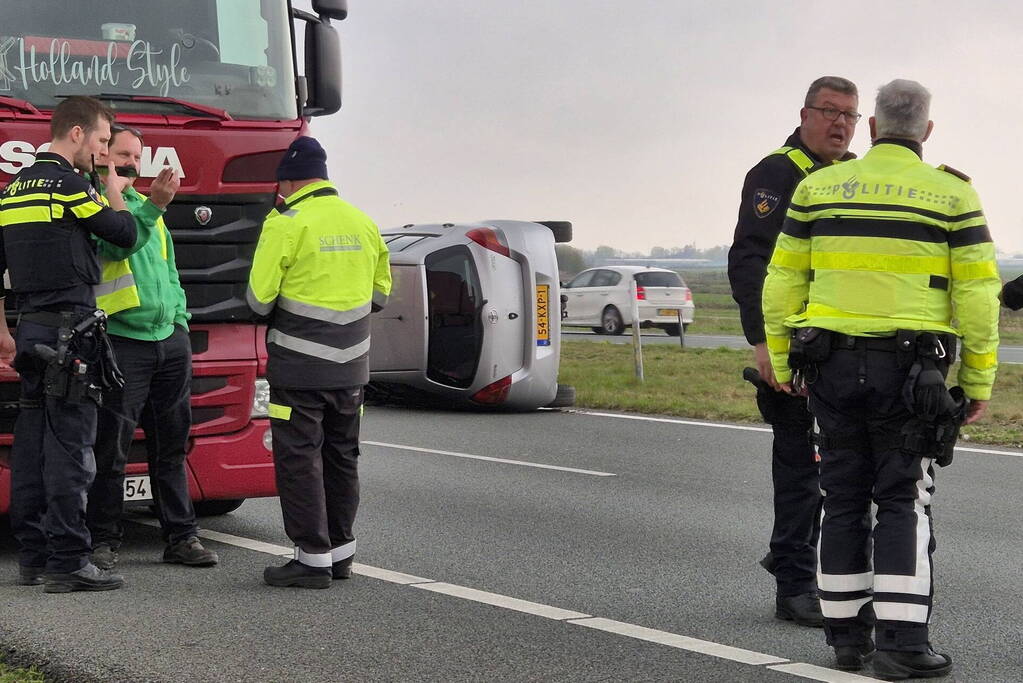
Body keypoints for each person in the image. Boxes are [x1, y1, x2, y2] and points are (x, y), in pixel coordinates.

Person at [762, 79, 999, 678]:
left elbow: (782, 280)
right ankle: (903, 646)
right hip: (912, 374)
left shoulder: (818, 188)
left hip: (829, 367)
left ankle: (847, 640)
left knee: (841, 495)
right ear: (927, 130)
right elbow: (978, 297)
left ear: (871, 127)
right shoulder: (952, 193)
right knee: (903, 500)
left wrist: (784, 361)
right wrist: (978, 380)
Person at [727, 76, 860, 627]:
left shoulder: (852, 177)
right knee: (802, 470)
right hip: (794, 350)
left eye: (849, 115)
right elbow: (750, 260)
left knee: (838, 473)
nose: (840, 123)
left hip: (840, 349)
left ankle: (795, 559)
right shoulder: (777, 173)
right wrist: (764, 342)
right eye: (829, 111)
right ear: (804, 115)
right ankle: (794, 586)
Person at [0, 96, 147, 592]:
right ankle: (68, 561)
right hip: (72, 333)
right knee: (71, 447)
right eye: (102, 141)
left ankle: (33, 556)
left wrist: (3, 331)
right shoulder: (69, 185)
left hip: (31, 330)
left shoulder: (13, 189)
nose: (103, 152)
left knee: (32, 445)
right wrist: (114, 190)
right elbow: (123, 234)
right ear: (77, 133)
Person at [247, 136, 391, 588]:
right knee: (342, 456)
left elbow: (258, 300)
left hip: (299, 368)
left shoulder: (286, 223)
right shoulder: (363, 222)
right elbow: (380, 294)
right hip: (352, 369)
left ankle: (311, 560)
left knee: (299, 460)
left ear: (288, 182)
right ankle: (341, 554)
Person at [85, 124, 219, 570]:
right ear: (101, 155)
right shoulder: (95, 204)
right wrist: (149, 204)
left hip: (168, 341)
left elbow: (168, 270)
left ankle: (181, 537)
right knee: (112, 448)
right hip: (123, 341)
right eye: (122, 154)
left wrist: (179, 319)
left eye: (136, 157)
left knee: (171, 447)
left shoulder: (146, 207)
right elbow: (117, 244)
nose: (130, 164)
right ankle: (103, 541)